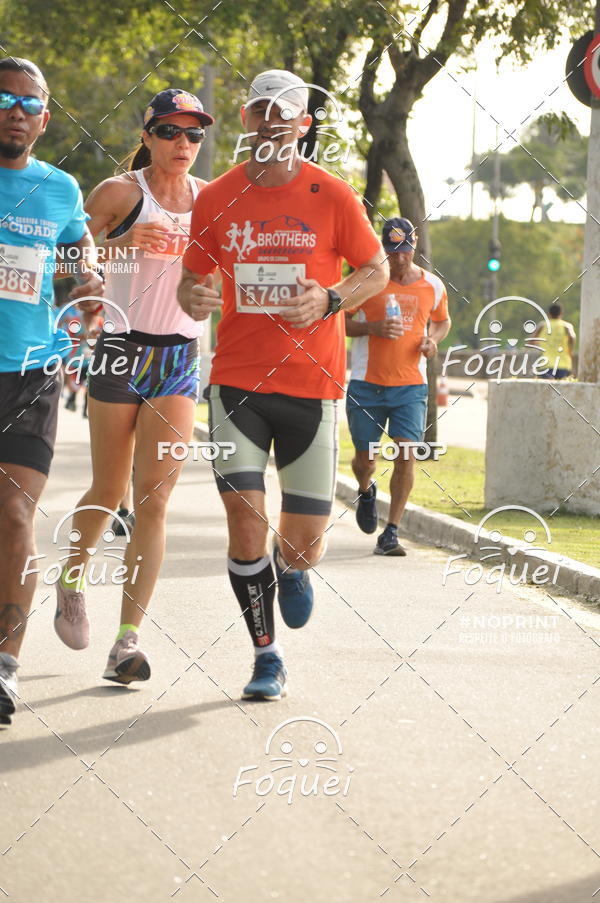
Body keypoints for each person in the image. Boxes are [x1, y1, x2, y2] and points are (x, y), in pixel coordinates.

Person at [177, 69, 388, 701]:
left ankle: (292, 567)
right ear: (246, 119)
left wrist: (329, 297)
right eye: (260, 109)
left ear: (304, 124)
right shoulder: (215, 197)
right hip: (236, 385)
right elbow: (191, 291)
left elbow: (374, 269)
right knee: (244, 519)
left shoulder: (333, 195)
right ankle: (266, 656)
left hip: (313, 388)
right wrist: (197, 295)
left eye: (284, 112)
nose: (271, 120)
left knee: (303, 546)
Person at [54, 89, 214, 685]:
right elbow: (70, 256)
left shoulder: (212, 201)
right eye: (170, 131)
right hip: (121, 351)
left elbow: (223, 268)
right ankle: (72, 576)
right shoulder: (121, 192)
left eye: (194, 134)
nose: (183, 144)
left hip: (178, 357)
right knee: (108, 487)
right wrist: (122, 246)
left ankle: (127, 641)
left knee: (154, 500)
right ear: (147, 135)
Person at [0, 57, 103, 725]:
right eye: (4, 98)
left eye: (30, 103)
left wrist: (89, 280)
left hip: (33, 369)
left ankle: (4, 668)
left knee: (14, 517)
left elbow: (77, 255)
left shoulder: (61, 188)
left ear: (45, 116)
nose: (16, 110)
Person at [345, 217, 451, 556]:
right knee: (366, 459)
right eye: (392, 251)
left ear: (414, 244)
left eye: (404, 250)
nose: (399, 258)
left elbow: (442, 320)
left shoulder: (432, 285)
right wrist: (372, 327)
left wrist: (432, 341)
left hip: (410, 387)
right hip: (366, 384)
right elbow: (340, 322)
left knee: (407, 455)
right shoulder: (369, 281)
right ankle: (365, 489)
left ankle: (391, 531)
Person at [532, 302, 575, 379]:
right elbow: (572, 337)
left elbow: (531, 341)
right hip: (563, 364)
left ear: (549, 314)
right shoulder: (566, 326)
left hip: (546, 364)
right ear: (561, 313)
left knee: (547, 389)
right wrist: (570, 350)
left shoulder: (542, 325)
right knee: (562, 390)